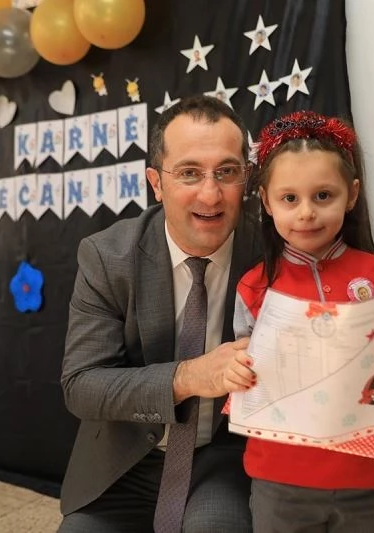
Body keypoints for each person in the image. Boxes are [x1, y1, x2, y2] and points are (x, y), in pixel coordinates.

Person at [224, 110, 374, 532]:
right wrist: (234, 371)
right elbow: (242, 373)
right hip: (279, 479)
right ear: (266, 202)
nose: (306, 213)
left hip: (367, 477)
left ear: (351, 195)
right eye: (289, 199)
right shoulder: (253, 287)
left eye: (323, 196)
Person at [59, 95, 260, 532]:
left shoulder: (274, 252)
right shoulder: (108, 256)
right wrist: (187, 378)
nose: (211, 194)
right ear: (156, 182)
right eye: (189, 172)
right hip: (125, 461)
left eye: (227, 172)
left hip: (225, 458)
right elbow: (82, 385)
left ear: (246, 177)